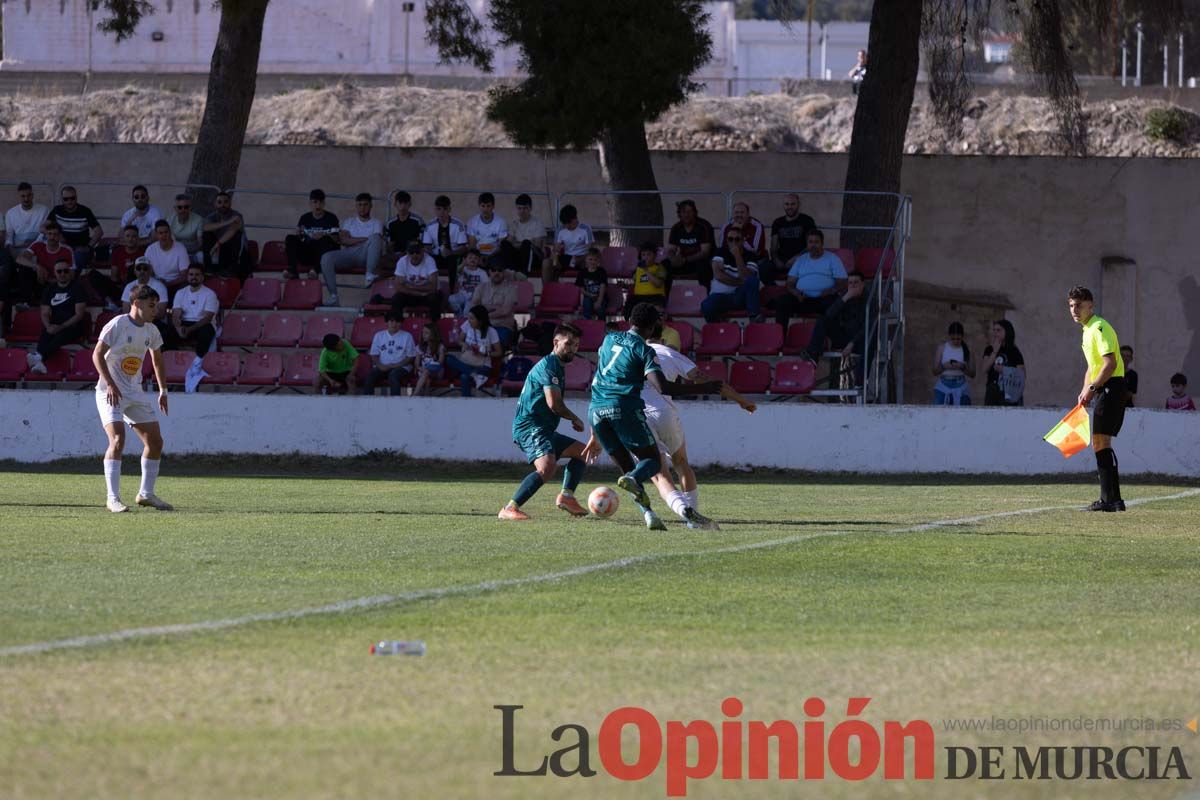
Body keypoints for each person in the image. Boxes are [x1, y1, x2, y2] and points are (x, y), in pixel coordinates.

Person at [589, 302, 722, 530]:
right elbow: (664, 387)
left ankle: (649, 514)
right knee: (650, 462)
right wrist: (707, 388)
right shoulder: (644, 350)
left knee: (627, 470)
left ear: (630, 321)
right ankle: (638, 482)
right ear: (652, 329)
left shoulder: (609, 339)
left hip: (596, 411)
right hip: (623, 408)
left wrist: (593, 436)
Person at [642, 319, 753, 529]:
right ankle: (691, 518)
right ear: (663, 338)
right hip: (664, 413)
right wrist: (741, 400)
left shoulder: (632, 352)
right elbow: (705, 380)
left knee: (658, 471)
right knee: (681, 462)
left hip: (638, 416)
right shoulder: (670, 353)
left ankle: (683, 511)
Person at [499, 322, 602, 520]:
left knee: (583, 453)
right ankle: (509, 508)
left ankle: (566, 497)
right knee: (547, 468)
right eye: (569, 343)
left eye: (576, 345)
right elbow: (554, 404)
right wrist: (575, 418)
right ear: (556, 342)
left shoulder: (557, 367)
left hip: (543, 429)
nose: (573, 349)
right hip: (530, 428)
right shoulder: (549, 365)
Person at [93, 284, 173, 513]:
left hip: (134, 392)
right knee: (117, 440)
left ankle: (146, 494)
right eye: (151, 305)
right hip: (109, 391)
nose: (154, 310)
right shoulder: (118, 324)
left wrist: (163, 391)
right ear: (136, 304)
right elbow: (96, 354)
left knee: (155, 442)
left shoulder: (151, 330)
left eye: (156, 306)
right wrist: (109, 383)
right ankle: (113, 499)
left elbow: (157, 361)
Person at [1068, 285, 1128, 512]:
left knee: (1101, 441)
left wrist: (1092, 387)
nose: (1075, 310)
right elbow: (1092, 367)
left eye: (1079, 305)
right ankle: (1113, 500)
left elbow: (1110, 364)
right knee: (1100, 442)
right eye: (1072, 306)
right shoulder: (1087, 331)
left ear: (1090, 306)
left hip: (1112, 386)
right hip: (1104, 387)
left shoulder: (1099, 327)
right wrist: (1085, 390)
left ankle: (1109, 500)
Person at [769, 229, 847, 329]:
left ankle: (835, 341)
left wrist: (831, 290)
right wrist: (796, 293)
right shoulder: (801, 260)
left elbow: (843, 282)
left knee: (835, 304)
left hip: (824, 299)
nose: (813, 245)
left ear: (822, 243)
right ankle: (780, 338)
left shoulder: (832, 258)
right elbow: (790, 283)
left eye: (816, 242)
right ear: (807, 244)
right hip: (803, 299)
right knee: (782, 302)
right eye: (810, 242)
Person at [26, 259, 88, 375]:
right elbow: (44, 313)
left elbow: (79, 314)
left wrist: (61, 326)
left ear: (70, 272)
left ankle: (39, 357)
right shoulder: (49, 289)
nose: (62, 274)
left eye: (65, 271)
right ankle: (39, 362)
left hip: (73, 325)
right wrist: (48, 326)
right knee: (46, 332)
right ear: (55, 273)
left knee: (60, 334)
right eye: (59, 271)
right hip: (54, 324)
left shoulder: (77, 288)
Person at [319, 192, 382, 303]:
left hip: (366, 256)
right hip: (350, 254)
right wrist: (365, 240)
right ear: (356, 206)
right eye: (360, 205)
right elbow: (344, 241)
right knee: (326, 257)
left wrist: (353, 240)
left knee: (376, 238)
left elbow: (375, 242)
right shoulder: (349, 221)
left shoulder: (376, 223)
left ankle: (369, 274)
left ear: (371, 206)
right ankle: (334, 296)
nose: (362, 208)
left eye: (365, 204)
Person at [701, 229, 762, 322]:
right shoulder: (720, 252)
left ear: (743, 241)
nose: (733, 242)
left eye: (737, 239)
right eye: (730, 239)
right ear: (727, 240)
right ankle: (721, 328)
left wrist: (737, 255)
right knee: (706, 305)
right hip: (721, 296)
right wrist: (740, 282)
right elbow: (718, 276)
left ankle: (754, 320)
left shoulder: (750, 256)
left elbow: (747, 278)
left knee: (752, 281)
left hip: (740, 297)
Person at [446, 305, 501, 396]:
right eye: (468, 318)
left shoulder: (491, 332)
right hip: (467, 361)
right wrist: (463, 344)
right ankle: (474, 376)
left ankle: (467, 401)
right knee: (449, 359)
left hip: (483, 365)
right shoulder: (467, 325)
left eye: (472, 318)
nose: (469, 320)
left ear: (480, 320)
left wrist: (485, 352)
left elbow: (499, 352)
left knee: (464, 376)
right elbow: (459, 340)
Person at [164, 265, 219, 356]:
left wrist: (189, 329)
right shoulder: (180, 292)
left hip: (202, 324)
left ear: (202, 277)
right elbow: (175, 314)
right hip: (185, 323)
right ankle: (176, 358)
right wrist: (178, 328)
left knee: (206, 333)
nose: (193, 277)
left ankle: (198, 362)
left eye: (197, 275)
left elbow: (207, 318)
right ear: (187, 276)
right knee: (165, 334)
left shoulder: (210, 294)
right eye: (191, 274)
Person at [285, 189, 340, 280]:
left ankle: (315, 270)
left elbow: (337, 239)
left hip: (323, 255)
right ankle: (293, 271)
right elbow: (301, 239)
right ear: (310, 203)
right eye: (315, 202)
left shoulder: (331, 218)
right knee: (290, 238)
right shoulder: (304, 218)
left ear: (324, 204)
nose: (318, 205)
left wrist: (323, 235)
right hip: (308, 253)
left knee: (326, 240)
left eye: (320, 202)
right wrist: (299, 235)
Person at [84, 224, 141, 310]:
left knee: (132, 270)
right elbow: (114, 276)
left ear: (137, 238)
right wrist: (119, 284)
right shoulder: (118, 252)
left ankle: (128, 304)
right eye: (128, 236)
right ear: (124, 238)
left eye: (133, 236)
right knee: (93, 274)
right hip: (120, 286)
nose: (130, 239)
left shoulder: (143, 253)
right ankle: (111, 302)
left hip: (136, 289)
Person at [422, 195, 468, 296]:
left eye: (445, 209)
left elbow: (463, 248)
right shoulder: (430, 225)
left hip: (453, 256)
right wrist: (430, 252)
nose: (442, 212)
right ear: (435, 210)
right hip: (436, 256)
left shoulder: (458, 224)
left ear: (449, 209)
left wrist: (451, 252)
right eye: (439, 209)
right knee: (425, 259)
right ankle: (429, 291)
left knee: (453, 261)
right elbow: (426, 246)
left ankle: (452, 293)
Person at [363, 312, 417, 396]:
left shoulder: (407, 336)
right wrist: (380, 365)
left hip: (402, 367)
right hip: (383, 366)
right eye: (391, 321)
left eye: (397, 321)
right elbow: (374, 354)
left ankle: (395, 404)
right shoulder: (379, 335)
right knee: (370, 375)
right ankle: (367, 402)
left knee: (393, 375)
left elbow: (410, 357)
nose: (394, 324)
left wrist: (395, 365)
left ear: (401, 323)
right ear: (386, 322)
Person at [49, 186, 103, 268]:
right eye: (66, 199)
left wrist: (88, 247)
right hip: (63, 247)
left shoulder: (85, 211)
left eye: (72, 198)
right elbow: (43, 227)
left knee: (77, 258)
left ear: (76, 198)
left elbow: (99, 231)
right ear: (62, 199)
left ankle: (70, 279)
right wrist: (57, 236)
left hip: (81, 249)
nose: (69, 201)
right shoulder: (57, 210)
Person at [666, 199, 716, 289]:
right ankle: (664, 298)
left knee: (703, 267)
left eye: (689, 211)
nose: (686, 215)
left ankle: (705, 297)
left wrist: (685, 260)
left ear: (695, 212)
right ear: (679, 214)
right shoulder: (676, 228)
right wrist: (673, 258)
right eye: (683, 212)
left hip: (702, 261)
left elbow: (705, 252)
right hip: (683, 261)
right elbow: (670, 249)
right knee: (664, 265)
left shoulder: (704, 226)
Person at [769, 193, 816, 285]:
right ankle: (775, 290)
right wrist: (776, 260)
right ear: (783, 205)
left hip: (801, 259)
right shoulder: (777, 222)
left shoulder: (807, 221)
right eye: (787, 204)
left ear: (798, 205)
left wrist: (796, 258)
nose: (789, 207)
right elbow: (773, 247)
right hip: (782, 258)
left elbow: (812, 244)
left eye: (793, 204)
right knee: (764, 268)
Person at [388, 240, 443, 318]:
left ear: (423, 251)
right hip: (416, 294)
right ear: (407, 252)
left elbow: (433, 287)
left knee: (435, 298)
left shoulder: (430, 260)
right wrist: (419, 293)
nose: (414, 255)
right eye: (411, 252)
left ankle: (433, 326)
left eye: (417, 252)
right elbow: (398, 287)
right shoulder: (402, 262)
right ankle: (397, 325)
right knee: (397, 299)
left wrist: (409, 286)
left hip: (427, 295)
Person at [469, 262, 520, 346]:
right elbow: (474, 308)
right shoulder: (481, 287)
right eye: (493, 270)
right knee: (469, 341)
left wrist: (483, 312)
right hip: (482, 326)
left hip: (502, 327)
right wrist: (494, 308)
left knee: (494, 344)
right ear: (489, 272)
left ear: (503, 273)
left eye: (499, 270)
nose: (496, 273)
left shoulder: (511, 288)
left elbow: (504, 311)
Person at [202, 191, 248, 279]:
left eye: (226, 202)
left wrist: (216, 245)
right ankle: (209, 268)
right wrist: (228, 222)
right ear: (215, 204)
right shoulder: (212, 216)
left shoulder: (237, 215)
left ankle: (232, 269)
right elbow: (205, 227)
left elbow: (232, 230)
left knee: (237, 235)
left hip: (235, 249)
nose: (223, 204)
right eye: (219, 202)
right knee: (206, 234)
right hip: (220, 248)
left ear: (230, 203)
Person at [121, 258, 170, 339]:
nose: (142, 271)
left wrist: (141, 317)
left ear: (150, 270)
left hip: (154, 322)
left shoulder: (160, 286)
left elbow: (161, 313)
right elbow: (125, 310)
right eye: (139, 268)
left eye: (145, 268)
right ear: (134, 271)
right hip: (134, 322)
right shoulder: (129, 286)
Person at [17, 220, 74, 289]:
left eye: (55, 234)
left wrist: (54, 280)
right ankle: (25, 299)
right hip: (41, 278)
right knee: (24, 268)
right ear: (45, 235)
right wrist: (37, 266)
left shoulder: (67, 250)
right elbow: (19, 259)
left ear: (59, 236)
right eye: (49, 234)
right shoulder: (38, 244)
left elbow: (72, 274)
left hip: (58, 282)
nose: (52, 237)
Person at [544, 204, 594, 283]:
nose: (567, 225)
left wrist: (579, 259)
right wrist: (555, 256)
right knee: (547, 263)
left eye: (569, 223)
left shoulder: (585, 228)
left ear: (575, 218)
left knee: (589, 261)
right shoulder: (560, 230)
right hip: (567, 259)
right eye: (565, 223)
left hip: (582, 258)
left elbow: (590, 251)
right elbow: (555, 250)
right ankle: (548, 290)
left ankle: (589, 290)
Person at [981, 318, 1025, 406]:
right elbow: (984, 369)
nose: (995, 333)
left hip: (1008, 391)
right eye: (994, 330)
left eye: (998, 330)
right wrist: (995, 352)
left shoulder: (1014, 351)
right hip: (992, 390)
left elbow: (1022, 374)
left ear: (1007, 331)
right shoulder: (989, 349)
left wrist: (1005, 370)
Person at [144, 220, 191, 301]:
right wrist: (158, 282)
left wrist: (167, 284)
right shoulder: (150, 249)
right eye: (160, 233)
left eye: (166, 232)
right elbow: (147, 272)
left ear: (170, 233)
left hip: (176, 284)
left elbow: (185, 275)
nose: (164, 235)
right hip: (156, 284)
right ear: (156, 234)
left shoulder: (180, 248)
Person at [932, 321, 976, 405]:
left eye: (958, 339)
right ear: (949, 336)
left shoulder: (968, 350)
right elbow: (934, 371)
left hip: (961, 386)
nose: (955, 341)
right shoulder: (942, 348)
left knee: (963, 414)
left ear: (963, 337)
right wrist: (944, 366)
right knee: (937, 413)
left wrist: (962, 367)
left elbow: (973, 374)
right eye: (953, 339)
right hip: (943, 385)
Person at [624, 241, 668, 319]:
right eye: (643, 255)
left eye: (649, 254)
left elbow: (658, 284)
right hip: (639, 297)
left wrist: (646, 270)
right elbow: (639, 285)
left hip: (656, 297)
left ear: (655, 255)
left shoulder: (660, 268)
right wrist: (624, 285)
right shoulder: (637, 270)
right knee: (629, 304)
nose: (646, 257)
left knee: (655, 311)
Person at [504, 193, 545, 275]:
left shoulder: (537, 223)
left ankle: (524, 273)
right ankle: (511, 273)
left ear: (530, 208)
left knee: (526, 244)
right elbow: (509, 242)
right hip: (519, 255)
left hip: (534, 257)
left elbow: (537, 245)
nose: (522, 211)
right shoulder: (514, 224)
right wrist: (526, 243)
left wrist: (520, 243)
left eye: (525, 208)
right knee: (504, 244)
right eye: (519, 208)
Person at [4, 182, 50, 255]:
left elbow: (44, 233)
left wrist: (33, 246)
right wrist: (10, 247)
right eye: (23, 196)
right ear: (19, 196)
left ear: (32, 195)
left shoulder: (44, 210)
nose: (26, 199)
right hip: (17, 251)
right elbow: (9, 235)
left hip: (38, 250)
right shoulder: (11, 213)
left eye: (29, 195)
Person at [467, 192, 508, 265]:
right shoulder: (472, 221)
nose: (485, 209)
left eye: (488, 206)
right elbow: (472, 245)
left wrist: (489, 257)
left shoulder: (501, 222)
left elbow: (501, 246)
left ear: (493, 206)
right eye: (483, 206)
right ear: (479, 206)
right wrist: (479, 257)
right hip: (477, 255)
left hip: (494, 255)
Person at [447, 248, 488, 316]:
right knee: (451, 299)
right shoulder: (463, 269)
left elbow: (486, 286)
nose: (472, 260)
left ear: (479, 261)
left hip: (474, 297)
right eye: (470, 257)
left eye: (475, 258)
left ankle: (464, 319)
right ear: (465, 259)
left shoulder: (482, 273)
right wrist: (463, 264)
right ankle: (459, 314)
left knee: (467, 310)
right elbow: (457, 271)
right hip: (462, 295)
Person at [384, 190, 424, 258]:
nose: (402, 206)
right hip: (396, 255)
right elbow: (390, 244)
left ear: (410, 204)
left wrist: (408, 253)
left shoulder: (418, 221)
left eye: (405, 203)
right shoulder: (390, 223)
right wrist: (394, 254)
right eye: (400, 203)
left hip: (413, 254)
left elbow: (421, 242)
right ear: (395, 204)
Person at [168, 194, 204, 263]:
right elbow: (169, 240)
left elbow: (200, 243)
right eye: (180, 207)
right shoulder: (170, 220)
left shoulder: (198, 219)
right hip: (176, 251)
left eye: (186, 207)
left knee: (200, 256)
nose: (183, 210)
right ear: (175, 208)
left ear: (190, 208)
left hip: (193, 251)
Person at [413, 321, 446, 396]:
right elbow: (417, 365)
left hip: (437, 371)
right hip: (423, 371)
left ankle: (414, 396)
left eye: (426, 333)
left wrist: (431, 366)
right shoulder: (420, 347)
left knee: (427, 372)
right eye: (423, 332)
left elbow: (440, 363)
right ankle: (426, 401)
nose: (423, 335)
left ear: (433, 334)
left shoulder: (440, 347)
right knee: (427, 379)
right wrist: (424, 369)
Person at [575, 247, 608, 320]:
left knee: (601, 309)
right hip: (588, 296)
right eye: (590, 259)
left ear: (598, 261)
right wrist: (590, 295)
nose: (593, 262)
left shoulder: (602, 272)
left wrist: (599, 301)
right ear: (586, 259)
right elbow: (581, 288)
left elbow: (603, 287)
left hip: (600, 297)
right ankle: (588, 324)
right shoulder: (582, 272)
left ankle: (602, 326)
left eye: (595, 260)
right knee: (587, 302)